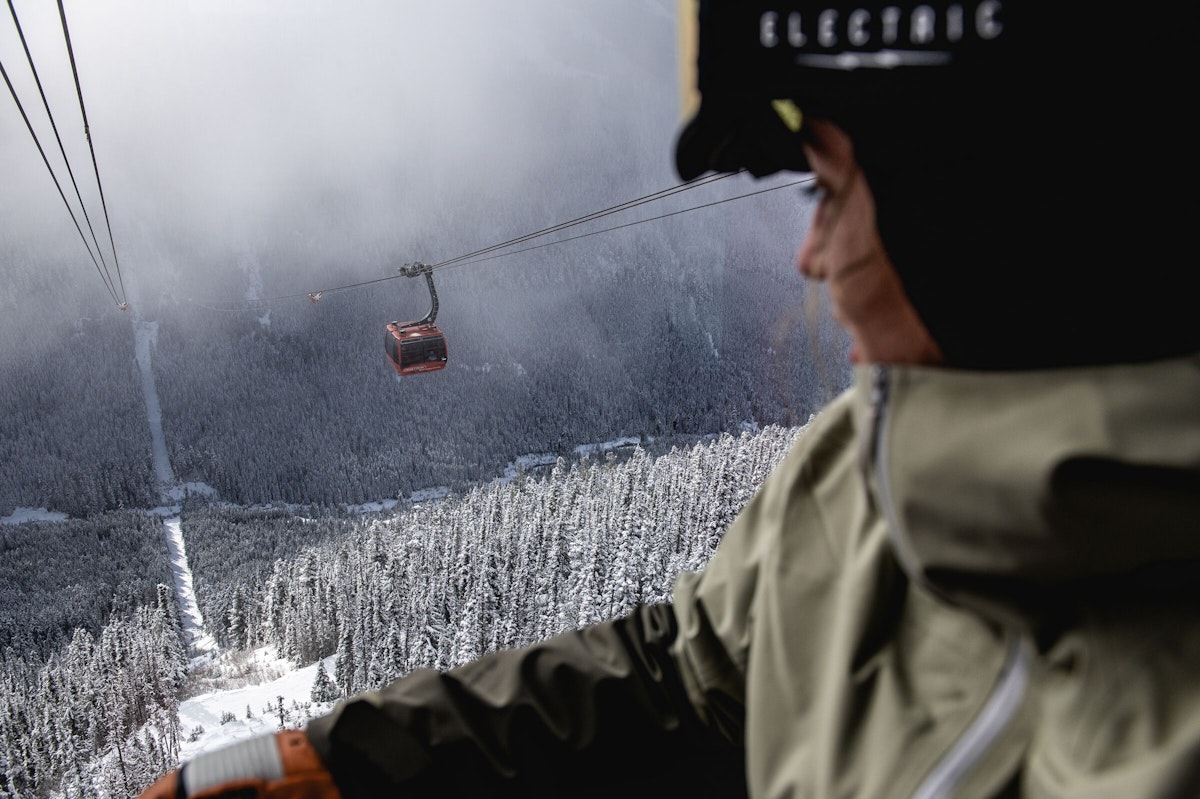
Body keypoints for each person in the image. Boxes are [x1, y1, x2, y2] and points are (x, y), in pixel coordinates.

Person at [139, 2, 1200, 797]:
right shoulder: (854, 489)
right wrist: (344, 764)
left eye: (827, 191)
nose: (810, 256)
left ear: (992, 227)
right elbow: (683, 670)